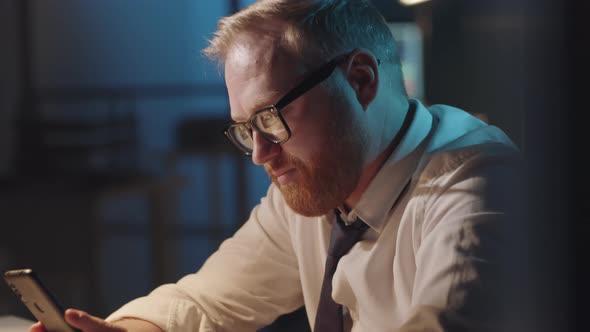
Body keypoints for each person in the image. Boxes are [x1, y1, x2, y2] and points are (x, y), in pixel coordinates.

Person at [30, 0, 524, 331]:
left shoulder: (477, 187)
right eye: (246, 128)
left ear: (360, 80)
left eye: (271, 118)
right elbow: (208, 301)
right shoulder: (315, 192)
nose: (261, 154)